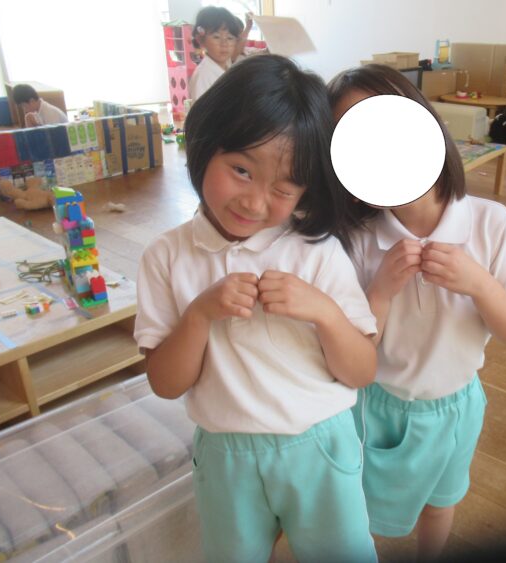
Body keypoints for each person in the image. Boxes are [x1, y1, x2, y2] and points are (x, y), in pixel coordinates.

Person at [134, 54, 378, 563]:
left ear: (305, 190)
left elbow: (361, 371)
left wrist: (325, 312)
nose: (254, 201)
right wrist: (199, 315)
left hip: (319, 444)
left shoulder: (316, 252)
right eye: (241, 171)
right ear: (205, 147)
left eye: (283, 188)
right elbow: (166, 383)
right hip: (227, 455)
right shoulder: (165, 257)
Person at [328, 64, 506, 562]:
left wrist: (481, 285)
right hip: (377, 405)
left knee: (441, 503)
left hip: (456, 407)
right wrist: (380, 293)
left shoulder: (492, 224)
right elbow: (352, 353)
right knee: (358, 505)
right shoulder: (357, 241)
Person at [188, 6, 253, 101]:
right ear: (201, 40)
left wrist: (248, 27)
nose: (224, 44)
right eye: (216, 37)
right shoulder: (202, 77)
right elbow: (202, 110)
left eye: (230, 38)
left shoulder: (226, 64)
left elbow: (237, 50)